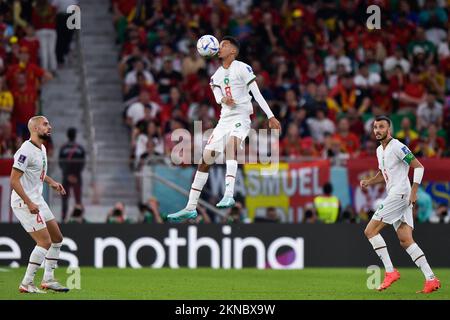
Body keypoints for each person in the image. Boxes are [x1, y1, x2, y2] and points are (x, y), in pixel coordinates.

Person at [167, 36, 281, 221]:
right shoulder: (216, 76)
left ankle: (229, 194)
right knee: (204, 160)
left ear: (233, 51)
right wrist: (223, 100)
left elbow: (256, 94)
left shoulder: (242, 68)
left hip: (241, 117)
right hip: (224, 120)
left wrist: (270, 116)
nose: (220, 47)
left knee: (231, 147)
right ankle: (190, 207)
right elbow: (217, 95)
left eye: (225, 44)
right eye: (220, 44)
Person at [360, 115, 440, 293]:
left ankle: (390, 271)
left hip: (401, 194)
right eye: (375, 127)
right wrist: (369, 181)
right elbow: (384, 174)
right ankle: (431, 279)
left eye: (381, 127)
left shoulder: (398, 146)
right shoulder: (379, 151)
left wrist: (413, 192)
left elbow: (419, 167)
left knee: (370, 231)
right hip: (397, 194)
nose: (377, 130)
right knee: (405, 240)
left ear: (389, 130)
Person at [10, 116, 69, 293]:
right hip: (24, 201)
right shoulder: (25, 151)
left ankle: (48, 279)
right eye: (45, 124)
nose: (49, 127)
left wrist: (50, 182)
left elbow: (36, 174)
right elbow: (14, 181)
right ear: (35, 128)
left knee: (57, 238)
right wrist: (28, 202)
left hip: (37, 199)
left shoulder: (42, 148)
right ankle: (26, 283)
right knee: (44, 241)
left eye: (49, 124)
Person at [58, 127, 85, 222]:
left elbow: (60, 163)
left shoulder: (63, 148)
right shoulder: (80, 148)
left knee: (65, 199)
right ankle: (79, 218)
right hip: (77, 177)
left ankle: (63, 218)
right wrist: (75, 175)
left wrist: (68, 175)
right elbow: (82, 163)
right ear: (75, 135)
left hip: (66, 177)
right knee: (78, 199)